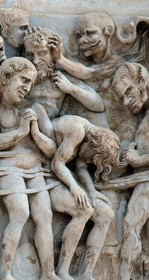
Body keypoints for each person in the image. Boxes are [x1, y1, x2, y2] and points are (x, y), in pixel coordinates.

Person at [0, 57, 59, 280]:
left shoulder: (36, 109)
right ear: (7, 78)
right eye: (23, 80)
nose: (27, 87)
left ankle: (48, 273)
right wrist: (20, 132)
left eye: (31, 82)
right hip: (8, 169)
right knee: (20, 211)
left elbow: (51, 149)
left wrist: (35, 133)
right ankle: (6, 272)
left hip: (36, 170)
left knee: (44, 215)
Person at [50, 115, 117, 280]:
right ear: (93, 144)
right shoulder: (77, 130)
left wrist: (91, 190)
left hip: (66, 178)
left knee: (106, 214)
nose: (90, 159)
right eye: (93, 155)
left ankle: (86, 273)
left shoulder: (89, 136)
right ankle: (62, 271)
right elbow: (57, 164)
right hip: (48, 175)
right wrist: (75, 188)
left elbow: (80, 166)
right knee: (84, 210)